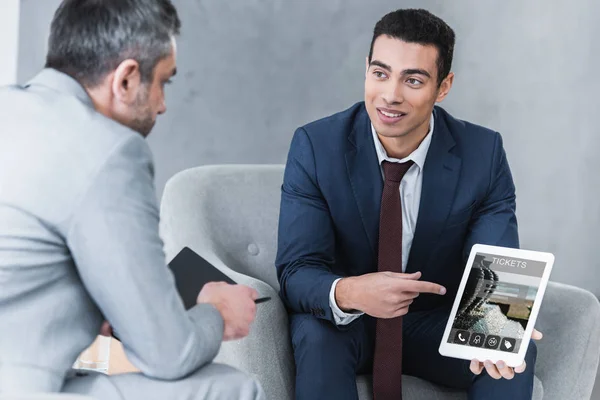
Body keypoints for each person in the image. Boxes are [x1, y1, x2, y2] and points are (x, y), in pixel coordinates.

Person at [0, 1, 264, 399]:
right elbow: (168, 354)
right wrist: (217, 312)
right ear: (125, 80)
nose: (162, 104)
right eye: (163, 81)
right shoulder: (108, 150)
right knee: (233, 388)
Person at [276, 8, 541, 400]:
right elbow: (296, 271)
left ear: (444, 86)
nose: (390, 95)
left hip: (430, 327)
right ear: (366, 68)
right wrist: (351, 292)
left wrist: (501, 323)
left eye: (413, 80)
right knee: (316, 334)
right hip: (349, 325)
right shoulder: (316, 147)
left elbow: (496, 261)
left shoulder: (483, 153)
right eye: (380, 73)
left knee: (511, 354)